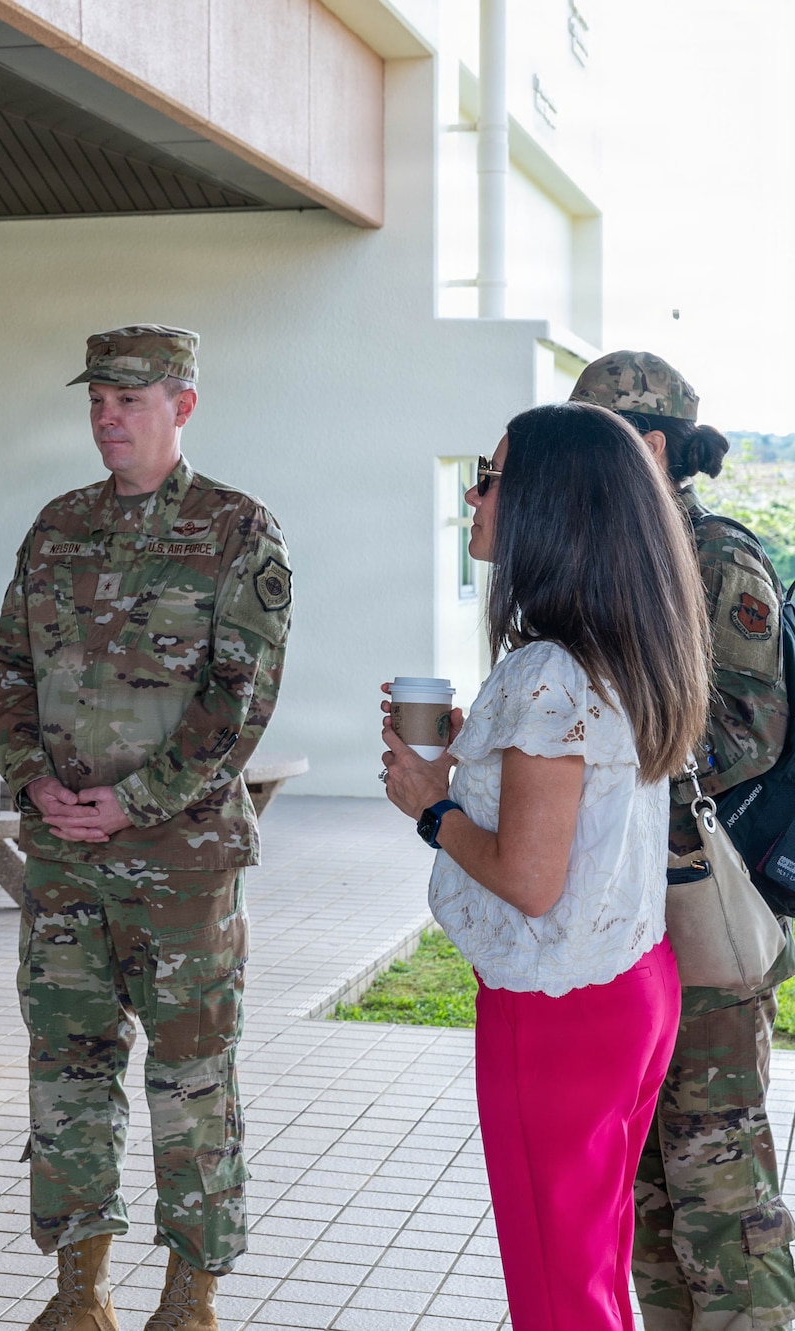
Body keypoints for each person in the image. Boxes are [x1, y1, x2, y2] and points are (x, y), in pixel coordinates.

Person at [0, 325, 292, 1331]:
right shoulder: (55, 526)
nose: (107, 415)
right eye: (97, 399)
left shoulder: (234, 528)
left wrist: (136, 798)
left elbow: (239, 701)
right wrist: (33, 781)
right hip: (65, 859)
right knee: (65, 1071)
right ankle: (76, 1291)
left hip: (180, 863)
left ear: (181, 405)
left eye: (130, 397)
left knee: (189, 1075)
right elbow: (6, 676)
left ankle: (188, 1298)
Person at [381, 401, 710, 1329]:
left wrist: (432, 807)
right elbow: (572, 812)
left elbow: (529, 877)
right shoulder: (621, 646)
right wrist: (471, 764)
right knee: (594, 1270)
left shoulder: (546, 672)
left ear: (550, 506)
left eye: (491, 477)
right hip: (632, 987)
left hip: (558, 1012)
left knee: (558, 1290)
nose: (476, 496)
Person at [570, 351, 795, 1329]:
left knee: (718, 1181)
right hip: (626, 918)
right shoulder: (609, 563)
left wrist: (589, 760)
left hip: (702, 914)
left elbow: (743, 730)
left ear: (649, 445)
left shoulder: (716, 564)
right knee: (652, 1192)